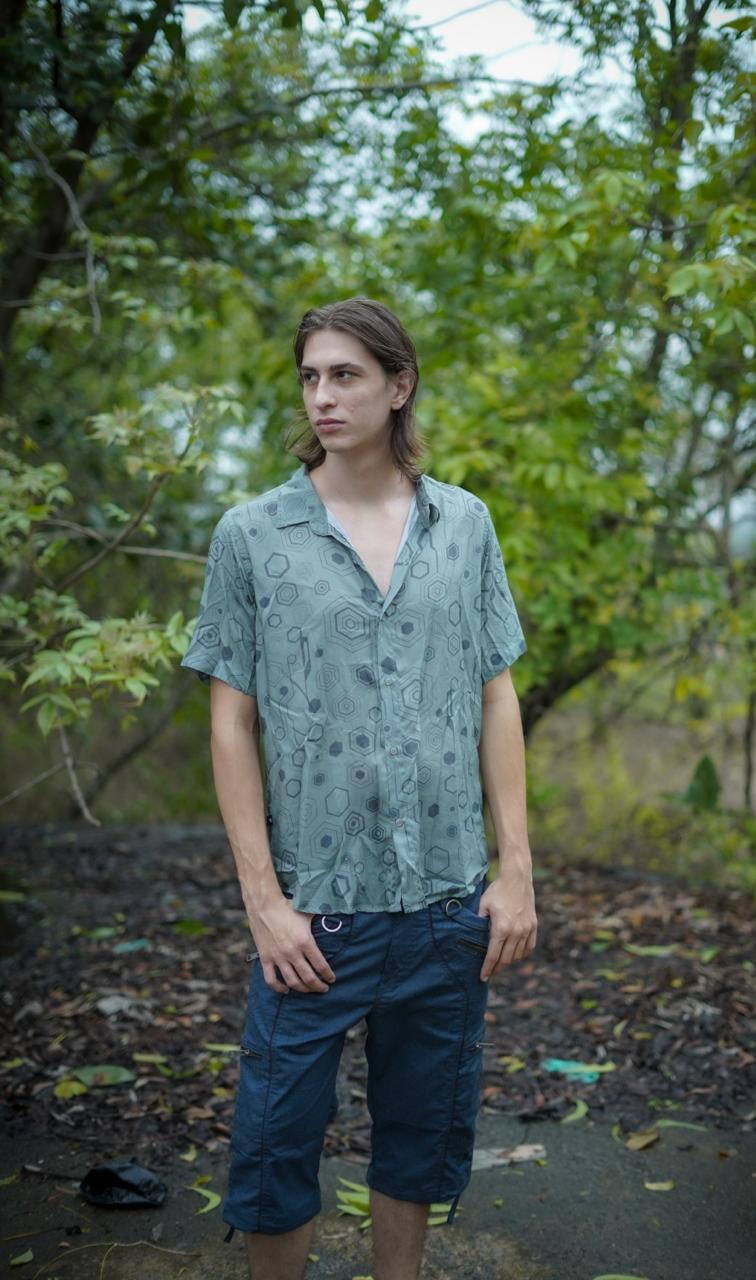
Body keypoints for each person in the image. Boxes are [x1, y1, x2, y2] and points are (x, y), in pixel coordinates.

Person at [180, 297, 536, 1280]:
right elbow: (228, 722)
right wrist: (262, 902)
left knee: (421, 1135)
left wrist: (515, 872)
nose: (323, 394)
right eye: (309, 376)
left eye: (344, 373)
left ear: (398, 384)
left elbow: (494, 694)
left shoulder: (464, 524)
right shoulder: (252, 534)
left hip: (443, 903)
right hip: (313, 915)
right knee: (271, 1145)